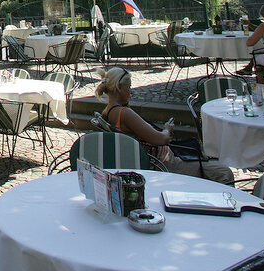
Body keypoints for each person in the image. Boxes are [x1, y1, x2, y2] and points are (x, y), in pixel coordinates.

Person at [97, 67, 235, 186]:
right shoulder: (124, 113)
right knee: (223, 172)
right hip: (162, 164)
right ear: (120, 88)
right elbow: (160, 139)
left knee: (206, 156)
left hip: (160, 158)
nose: (131, 92)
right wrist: (167, 129)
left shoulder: (108, 111)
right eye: (129, 87)